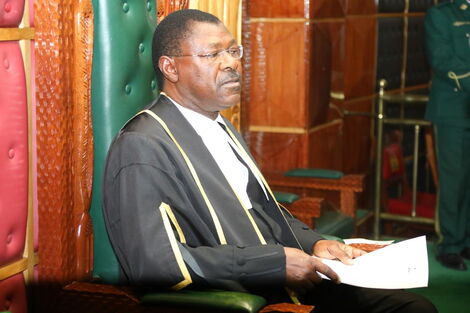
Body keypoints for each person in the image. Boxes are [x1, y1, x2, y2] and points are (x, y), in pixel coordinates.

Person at [103, 9, 437, 313]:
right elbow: (154, 263)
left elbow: (263, 211)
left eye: (234, 51)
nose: (231, 63)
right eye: (213, 54)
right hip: (243, 297)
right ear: (170, 67)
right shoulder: (142, 144)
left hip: (285, 280)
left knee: (413, 306)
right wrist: (274, 263)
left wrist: (315, 243)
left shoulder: (218, 125)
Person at [424, 0, 470, 271]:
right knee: (454, 179)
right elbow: (443, 60)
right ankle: (449, 244)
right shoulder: (440, 15)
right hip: (453, 109)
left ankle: (466, 239)